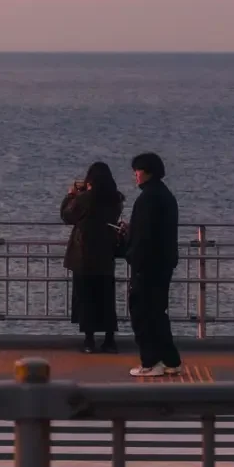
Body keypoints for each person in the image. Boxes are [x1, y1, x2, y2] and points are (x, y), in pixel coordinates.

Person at [124, 151, 182, 377]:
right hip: (163, 265)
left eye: (137, 171)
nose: (135, 176)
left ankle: (150, 362)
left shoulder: (147, 198)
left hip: (147, 267)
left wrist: (132, 255)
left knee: (142, 313)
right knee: (158, 313)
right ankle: (171, 360)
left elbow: (144, 237)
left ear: (147, 172)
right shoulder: (165, 195)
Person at [60, 161, 125, 353]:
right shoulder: (115, 199)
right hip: (105, 254)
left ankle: (89, 341)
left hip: (84, 255)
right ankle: (109, 340)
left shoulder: (85, 199)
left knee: (86, 297)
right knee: (106, 298)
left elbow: (67, 216)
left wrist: (71, 195)